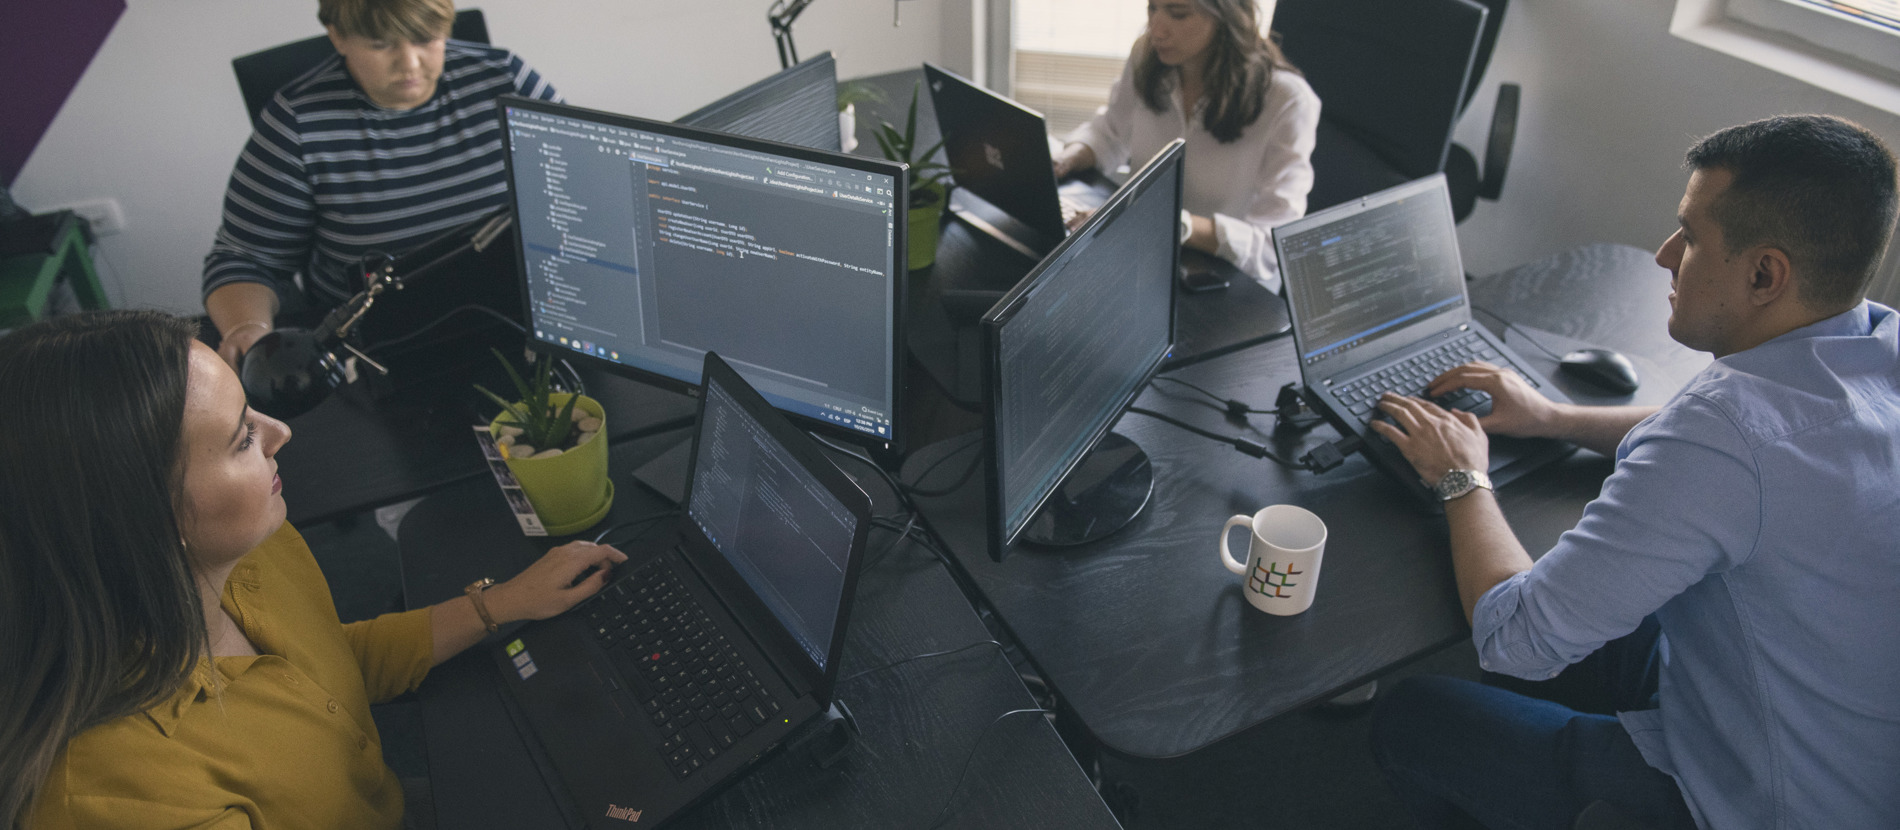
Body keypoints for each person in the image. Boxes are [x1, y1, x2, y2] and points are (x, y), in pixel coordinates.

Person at [1365, 115, 1900, 829]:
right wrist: (1550, 418)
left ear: (1764, 274)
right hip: (1850, 762)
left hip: (1747, 805)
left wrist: (1464, 476)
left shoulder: (1724, 433)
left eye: (1692, 236)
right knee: (1614, 619)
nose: (1664, 254)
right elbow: (1751, 452)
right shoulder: (1875, 343)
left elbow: (1513, 640)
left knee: (1413, 712)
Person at [0, 310, 628, 829]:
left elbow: (322, 662)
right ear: (148, 519)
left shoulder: (247, 548)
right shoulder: (112, 800)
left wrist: (503, 603)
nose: (278, 433)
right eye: (242, 438)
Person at [203, 0, 561, 369]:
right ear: (337, 36)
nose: (409, 63)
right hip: (377, 355)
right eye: (381, 44)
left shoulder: (507, 80)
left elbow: (580, 192)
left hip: (523, 322)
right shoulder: (297, 123)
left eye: (426, 39)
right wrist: (248, 326)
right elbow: (243, 259)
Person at [1053, 0, 1318, 292]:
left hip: (1226, 286)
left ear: (1227, 15)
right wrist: (1071, 156)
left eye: (1178, 13)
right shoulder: (1147, 56)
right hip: (1144, 259)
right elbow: (1112, 131)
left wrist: (1173, 224)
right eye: (1153, 8)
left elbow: (1272, 244)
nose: (1156, 30)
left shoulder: (1288, 101)